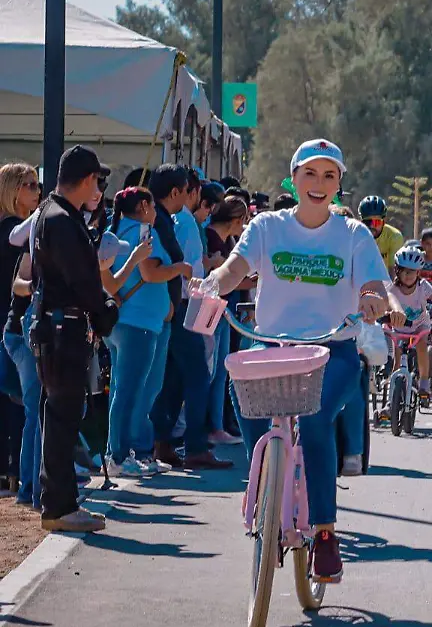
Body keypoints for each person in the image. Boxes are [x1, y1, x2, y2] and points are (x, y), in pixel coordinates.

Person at [200, 138, 390, 580]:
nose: (318, 183)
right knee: (241, 387)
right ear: (294, 178)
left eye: (329, 176)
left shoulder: (353, 234)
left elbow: (373, 285)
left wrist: (371, 300)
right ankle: (266, 479)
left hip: (332, 349)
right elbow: (235, 268)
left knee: (316, 418)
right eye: (310, 173)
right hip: (271, 345)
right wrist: (212, 284)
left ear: (339, 184)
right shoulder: (267, 226)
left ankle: (324, 532)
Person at [29, 146, 119, 532]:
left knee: (59, 417)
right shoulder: (62, 219)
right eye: (96, 179)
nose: (97, 187)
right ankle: (60, 505)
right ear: (86, 179)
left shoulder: (50, 213)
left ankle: (59, 502)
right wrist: (104, 309)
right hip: (63, 329)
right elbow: (81, 279)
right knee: (63, 419)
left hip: (56, 327)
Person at [148, 165, 228, 470]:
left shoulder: (174, 221)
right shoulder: (181, 222)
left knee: (174, 378)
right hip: (184, 305)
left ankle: (164, 441)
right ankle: (195, 445)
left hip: (179, 304)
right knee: (197, 376)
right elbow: (183, 267)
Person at [99, 186, 178, 476]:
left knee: (123, 390)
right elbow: (149, 272)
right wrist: (181, 268)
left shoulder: (113, 232)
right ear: (144, 206)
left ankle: (124, 453)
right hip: (138, 324)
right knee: (131, 392)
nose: (156, 212)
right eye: (153, 206)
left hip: (122, 323)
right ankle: (119, 456)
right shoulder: (144, 233)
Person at [0, 163, 38, 497]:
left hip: (9, 319)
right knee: (18, 399)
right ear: (13, 190)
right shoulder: (14, 232)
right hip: (12, 320)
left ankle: (12, 471)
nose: (38, 191)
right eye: (30, 185)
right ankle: (16, 471)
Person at [203, 196, 250, 447]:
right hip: (212, 310)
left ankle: (218, 424)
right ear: (236, 220)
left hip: (222, 310)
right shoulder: (212, 239)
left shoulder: (225, 240)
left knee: (220, 371)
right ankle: (212, 426)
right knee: (212, 371)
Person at [386, 247, 432, 402]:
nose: (408, 275)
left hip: (420, 326)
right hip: (400, 328)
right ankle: (390, 401)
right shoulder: (392, 289)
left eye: (412, 271)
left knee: (421, 346)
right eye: (404, 271)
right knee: (397, 361)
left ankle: (424, 383)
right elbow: (389, 303)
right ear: (397, 271)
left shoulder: (424, 286)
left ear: (418, 272)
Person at [358, 195, 406, 266]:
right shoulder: (354, 236)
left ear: (384, 221)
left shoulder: (394, 236)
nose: (372, 226)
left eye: (376, 222)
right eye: (367, 222)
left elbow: (393, 270)